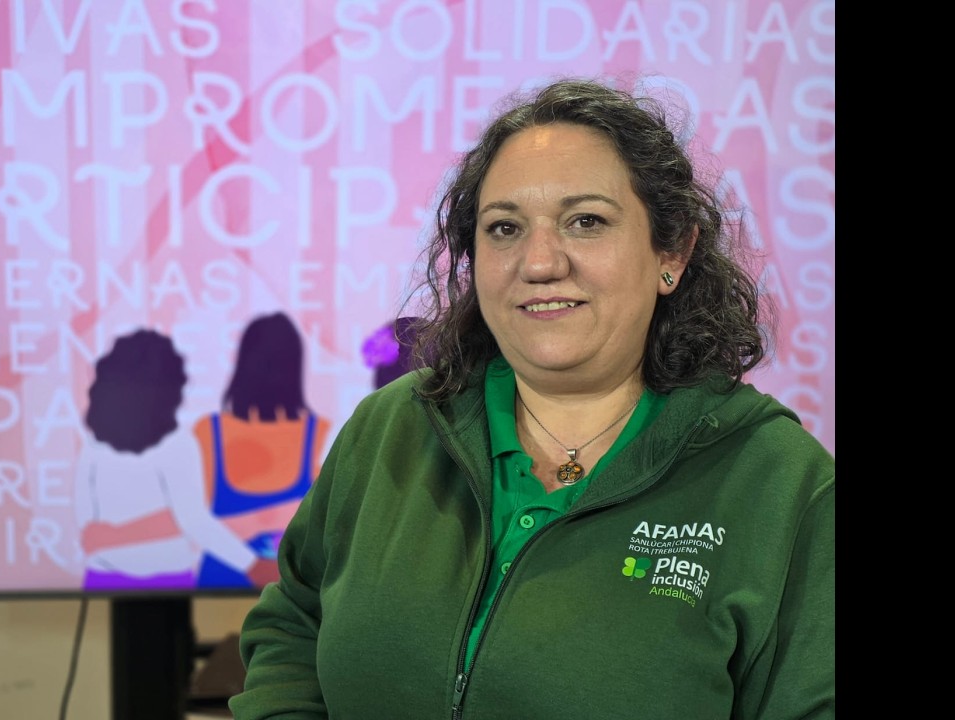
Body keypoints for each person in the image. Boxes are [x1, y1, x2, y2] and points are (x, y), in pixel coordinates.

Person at [229, 77, 834, 719]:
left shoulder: (782, 484)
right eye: (505, 228)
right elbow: (295, 626)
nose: (539, 263)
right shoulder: (389, 429)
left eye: (586, 221)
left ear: (673, 252)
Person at [74, 328, 278, 591]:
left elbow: (94, 534)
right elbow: (192, 520)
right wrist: (252, 564)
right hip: (165, 581)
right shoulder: (177, 444)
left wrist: (115, 535)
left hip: (111, 577)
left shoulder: (93, 447)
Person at [191, 311, 332, 588]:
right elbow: (194, 521)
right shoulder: (322, 432)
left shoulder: (322, 433)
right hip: (237, 586)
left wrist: (248, 524)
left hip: (278, 588)